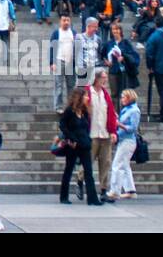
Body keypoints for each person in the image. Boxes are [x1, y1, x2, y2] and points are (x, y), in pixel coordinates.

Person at [57, 87, 101, 206]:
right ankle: (63, 196)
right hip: (73, 145)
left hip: (85, 144)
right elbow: (63, 126)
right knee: (69, 170)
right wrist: (71, 138)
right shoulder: (69, 111)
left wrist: (88, 139)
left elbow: (86, 127)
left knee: (88, 171)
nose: (88, 98)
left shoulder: (85, 112)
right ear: (79, 98)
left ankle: (92, 198)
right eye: (85, 96)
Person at [85, 68, 118, 200]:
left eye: (105, 77)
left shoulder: (105, 94)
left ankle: (103, 189)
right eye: (103, 77)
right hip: (91, 134)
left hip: (105, 134)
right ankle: (81, 181)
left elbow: (111, 114)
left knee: (106, 162)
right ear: (96, 78)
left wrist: (113, 132)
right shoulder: (87, 91)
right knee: (87, 162)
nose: (105, 79)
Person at [105, 89, 140, 201]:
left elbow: (133, 128)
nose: (121, 99)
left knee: (117, 164)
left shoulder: (134, 111)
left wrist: (120, 125)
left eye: (124, 97)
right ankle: (130, 190)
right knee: (124, 165)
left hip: (128, 140)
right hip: (124, 140)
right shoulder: (126, 109)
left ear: (130, 98)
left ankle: (115, 191)